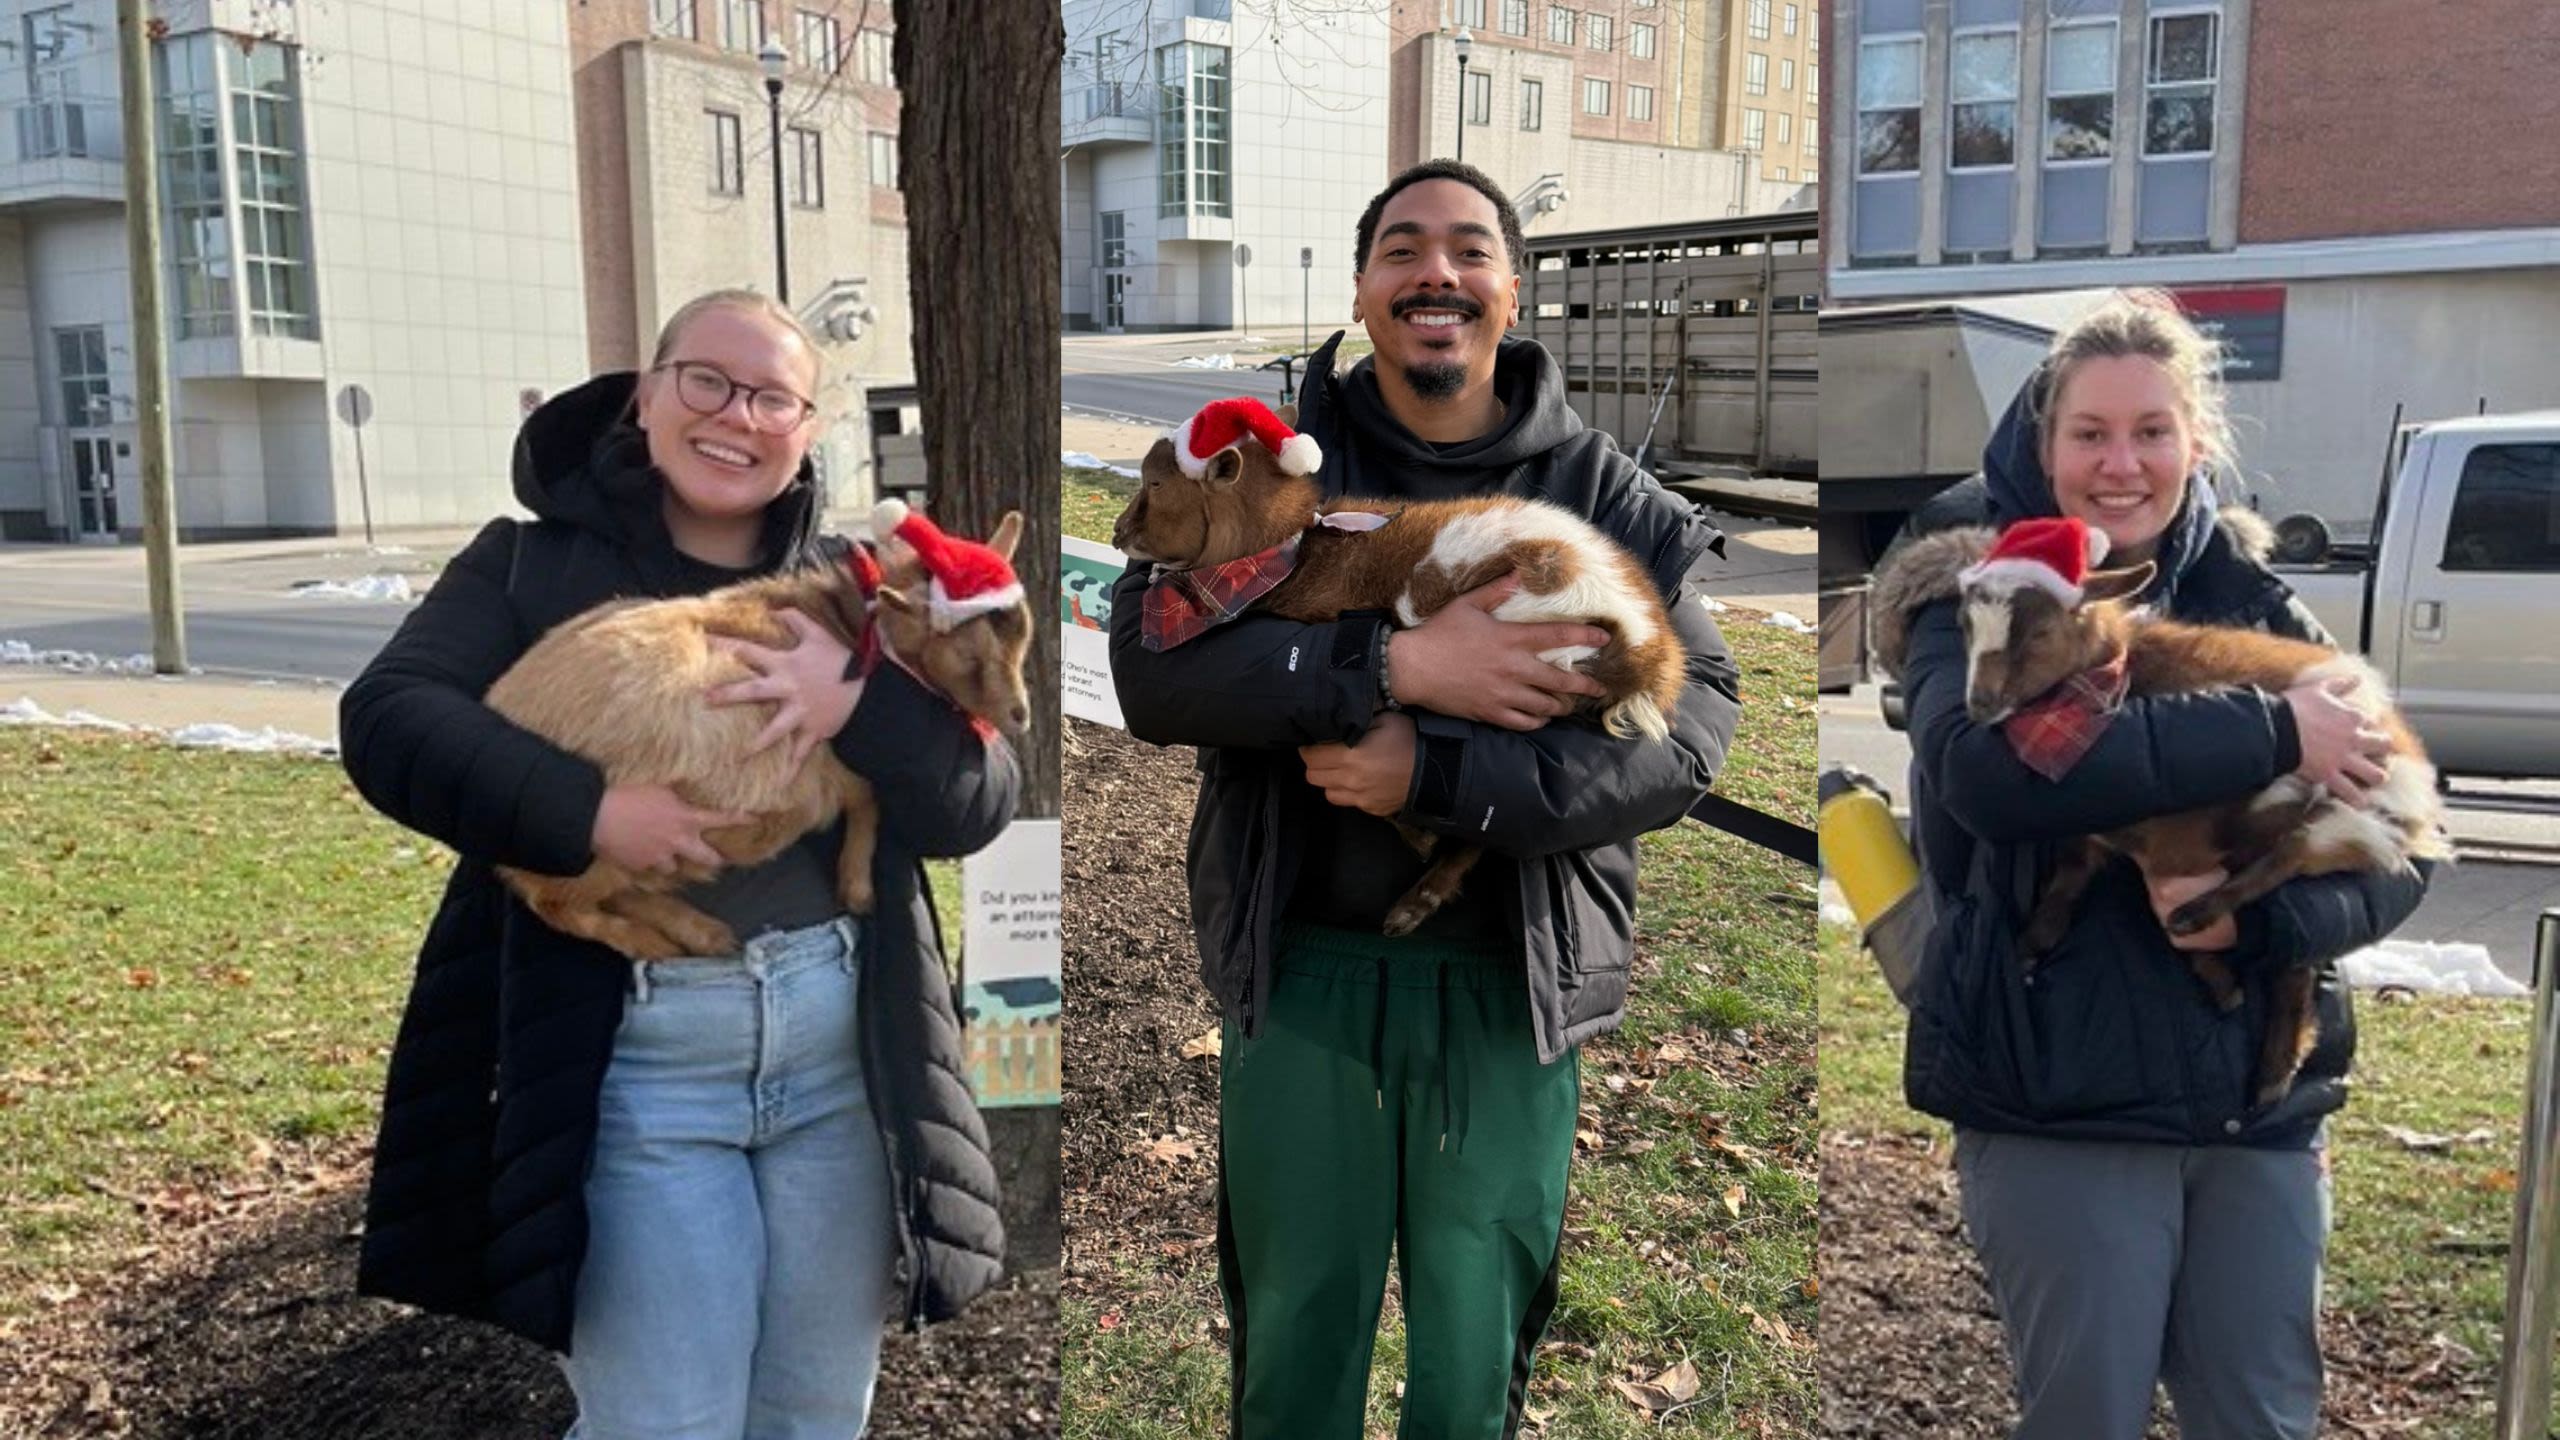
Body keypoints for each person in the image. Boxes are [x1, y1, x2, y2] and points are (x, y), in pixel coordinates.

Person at [1106, 160, 1744, 1439]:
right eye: (1401, 250)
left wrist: (1441, 773)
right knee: (1295, 1332)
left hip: (1508, 992)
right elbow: (1150, 672)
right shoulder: (1260, 470)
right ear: (1363, 287)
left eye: (1466, 249)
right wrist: (1390, 667)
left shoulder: (1603, 490)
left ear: (1510, 290)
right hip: (1301, 972)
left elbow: (1688, 738)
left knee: (1473, 1353)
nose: (1433, 274)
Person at [340, 289, 1016, 1438]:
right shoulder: (524, 568)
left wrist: (856, 703)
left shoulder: (871, 587)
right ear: (646, 395)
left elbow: (978, 799)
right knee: (666, 1420)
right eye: (705, 380)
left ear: (806, 426)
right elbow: (390, 721)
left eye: (772, 397)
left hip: (842, 1054)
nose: (734, 416)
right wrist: (587, 812)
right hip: (636, 1062)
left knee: (813, 1413)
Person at [1890, 290, 2427, 1440]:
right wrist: (2276, 731)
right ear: (2044, 442)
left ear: (2195, 443)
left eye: (2150, 432)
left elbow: (2406, 849)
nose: (2119, 464)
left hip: (2256, 1112)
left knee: (2262, 1418)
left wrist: (2267, 925)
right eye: (2089, 433)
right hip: (2058, 1091)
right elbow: (1986, 777)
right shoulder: (1974, 585)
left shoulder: (2256, 599)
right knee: (2084, 1414)